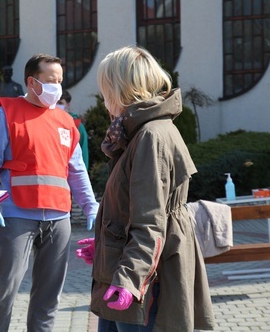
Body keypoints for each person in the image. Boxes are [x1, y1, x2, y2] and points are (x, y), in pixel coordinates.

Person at [76, 46, 215, 331]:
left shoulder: (150, 135)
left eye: (105, 88)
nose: (103, 98)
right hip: (133, 272)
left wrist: (128, 277)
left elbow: (150, 221)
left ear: (119, 88)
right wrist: (106, 245)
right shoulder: (143, 130)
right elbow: (134, 210)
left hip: (144, 282)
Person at [0, 53, 99, 332]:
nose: (57, 86)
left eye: (59, 80)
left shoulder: (66, 121)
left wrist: (90, 205)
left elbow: (76, 169)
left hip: (58, 218)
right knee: (4, 290)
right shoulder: (6, 113)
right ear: (32, 82)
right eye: (50, 80)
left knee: (48, 296)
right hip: (16, 215)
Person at [56, 90, 90, 169]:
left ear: (67, 105)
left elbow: (83, 153)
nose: (56, 105)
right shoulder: (47, 122)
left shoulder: (76, 125)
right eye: (55, 102)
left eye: (60, 103)